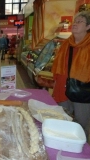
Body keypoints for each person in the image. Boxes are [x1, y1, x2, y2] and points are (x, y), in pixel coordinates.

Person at [51, 11, 90, 140]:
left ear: (88, 27)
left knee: (81, 125)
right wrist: (55, 82)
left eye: (80, 22)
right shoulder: (66, 44)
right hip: (63, 88)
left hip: (83, 91)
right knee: (62, 120)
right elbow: (58, 67)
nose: (75, 24)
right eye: (75, 21)